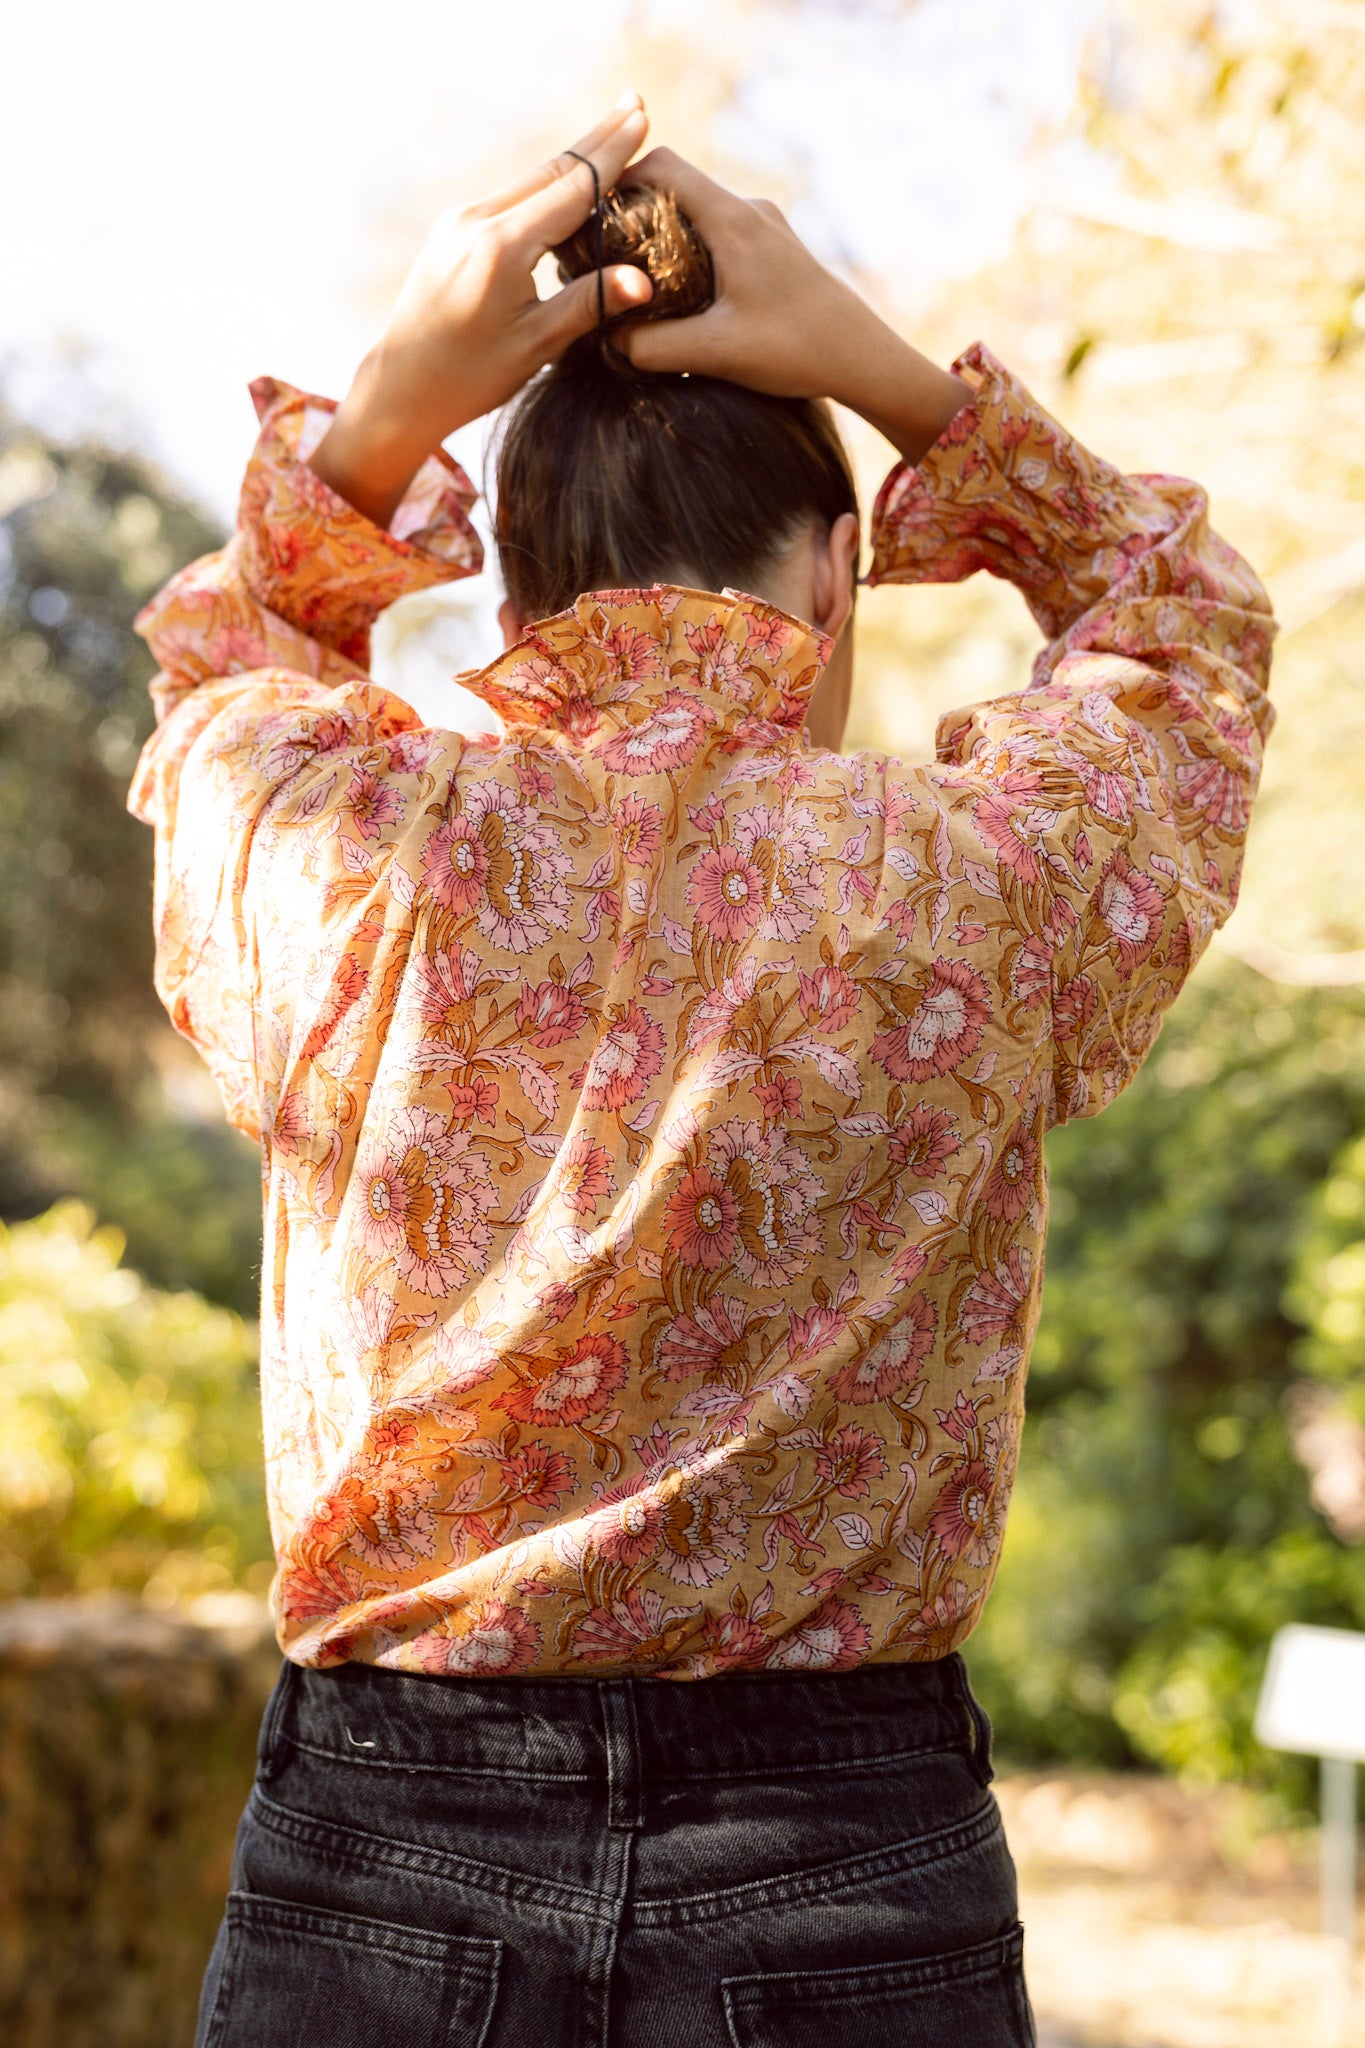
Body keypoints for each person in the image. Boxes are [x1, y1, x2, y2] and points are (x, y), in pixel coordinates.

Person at [129, 92, 1274, 2048]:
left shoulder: (333, 848)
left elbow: (229, 665)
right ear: (836, 576)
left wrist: (391, 411)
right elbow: (1173, 619)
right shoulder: (980, 886)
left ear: (506, 600)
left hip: (392, 1860)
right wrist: (885, 367)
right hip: (848, 1862)